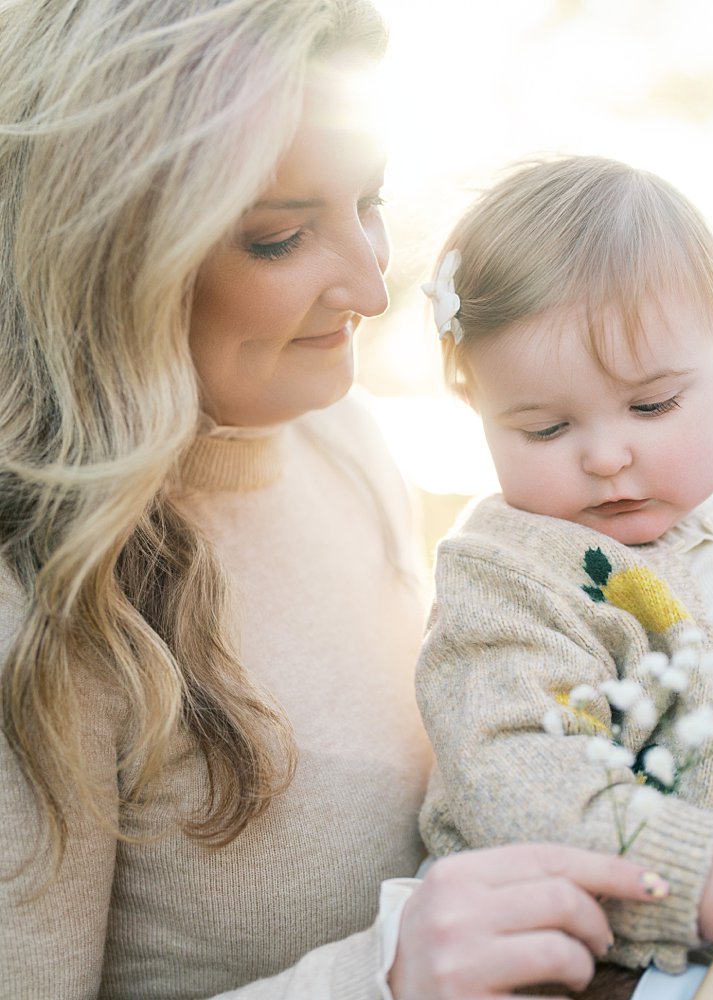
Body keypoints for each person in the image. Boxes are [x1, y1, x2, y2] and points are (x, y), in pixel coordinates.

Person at [0, 6, 670, 998]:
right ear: (113, 255)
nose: (371, 281)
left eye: (372, 198)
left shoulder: (336, 432)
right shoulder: (34, 602)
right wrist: (378, 979)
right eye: (279, 237)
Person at [417, 154, 713, 984]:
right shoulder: (510, 582)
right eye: (545, 429)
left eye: (652, 406)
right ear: (480, 412)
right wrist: (706, 870)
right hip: (617, 957)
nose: (608, 457)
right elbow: (513, 778)